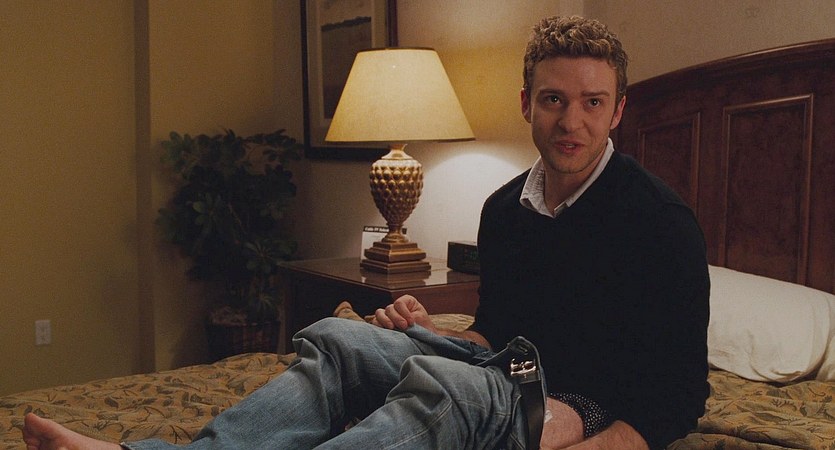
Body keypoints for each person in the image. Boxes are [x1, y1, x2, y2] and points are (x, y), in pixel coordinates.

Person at [22, 15, 709, 450]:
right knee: (341, 338)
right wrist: (431, 333)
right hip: (504, 367)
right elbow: (496, 330)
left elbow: (679, 395)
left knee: (448, 390)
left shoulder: (659, 223)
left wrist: (586, 438)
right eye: (554, 100)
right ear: (527, 102)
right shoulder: (504, 207)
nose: (571, 122)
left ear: (617, 111)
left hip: (576, 404)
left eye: (592, 103)